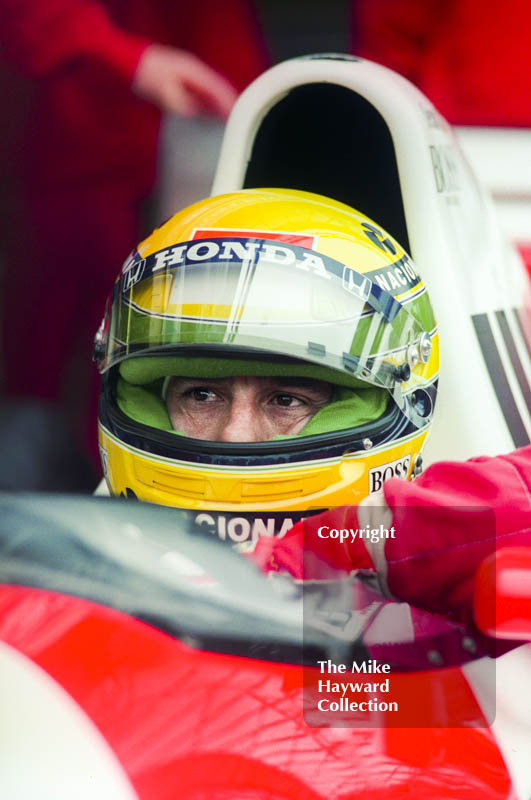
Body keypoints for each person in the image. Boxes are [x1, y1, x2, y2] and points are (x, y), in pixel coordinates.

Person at [0, 0, 268, 474]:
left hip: (186, 146)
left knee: (153, 344)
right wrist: (132, 58)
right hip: (75, 147)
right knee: (45, 355)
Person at [94, 186, 439, 547]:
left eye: (286, 401)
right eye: (202, 394)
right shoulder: (71, 574)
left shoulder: (434, 579)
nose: (235, 434)